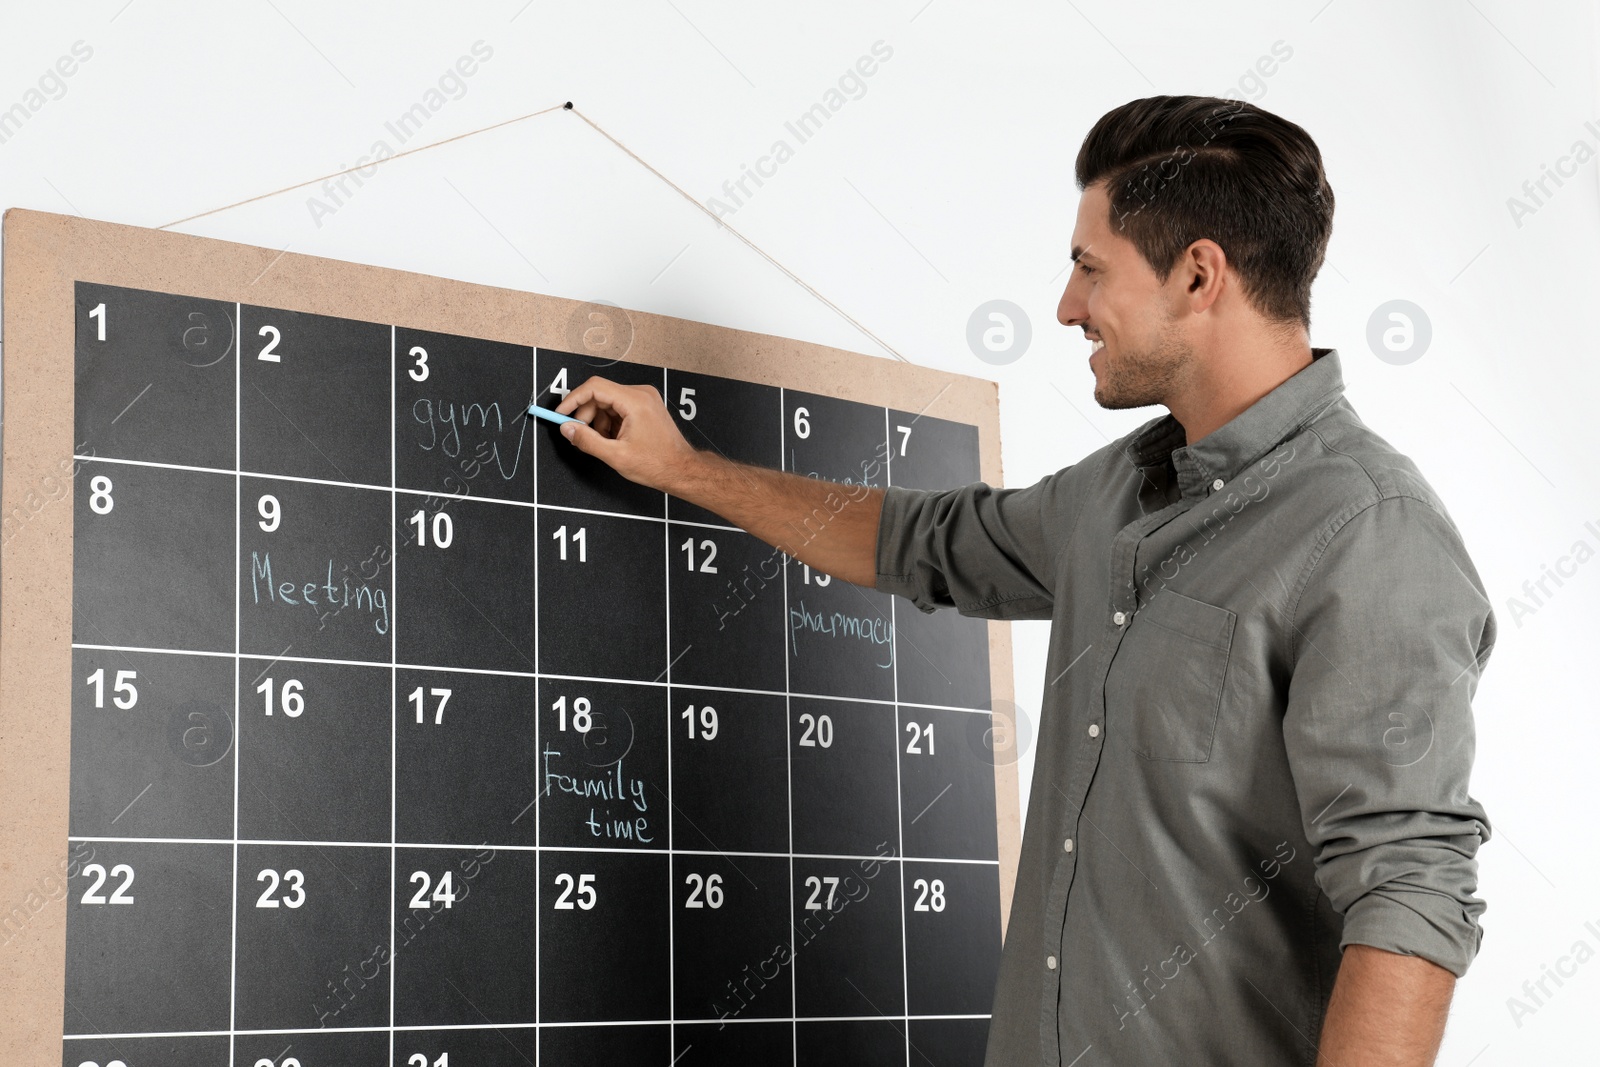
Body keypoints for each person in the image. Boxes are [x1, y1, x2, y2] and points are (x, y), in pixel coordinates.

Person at [551, 95, 1494, 1066]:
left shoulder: (1370, 532)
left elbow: (1408, 892)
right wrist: (686, 468)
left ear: (1198, 274)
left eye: (1090, 268)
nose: (1066, 306)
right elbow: (925, 539)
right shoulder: (1114, 493)